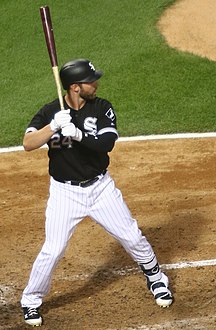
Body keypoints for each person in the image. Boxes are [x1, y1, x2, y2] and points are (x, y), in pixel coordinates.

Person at [21, 58, 173, 327]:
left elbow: (107, 142)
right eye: (91, 81)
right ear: (76, 87)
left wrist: (78, 135)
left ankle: (156, 277)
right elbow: (28, 143)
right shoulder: (50, 112)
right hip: (64, 194)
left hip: (101, 188)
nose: (96, 84)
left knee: (131, 235)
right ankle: (31, 300)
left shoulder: (102, 107)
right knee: (53, 250)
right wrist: (53, 127)